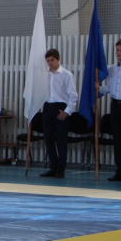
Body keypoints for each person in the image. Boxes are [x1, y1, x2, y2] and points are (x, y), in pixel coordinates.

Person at [41, 49, 78, 179]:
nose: (50, 63)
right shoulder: (44, 74)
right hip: (47, 107)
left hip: (60, 107)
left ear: (58, 60)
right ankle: (53, 167)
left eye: (52, 60)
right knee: (49, 139)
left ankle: (60, 169)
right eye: (48, 60)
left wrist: (67, 111)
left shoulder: (66, 74)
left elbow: (73, 95)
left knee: (61, 140)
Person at [97, 39, 121, 182]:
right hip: (116, 105)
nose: (119, 52)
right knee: (117, 139)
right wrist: (98, 88)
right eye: (117, 49)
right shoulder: (111, 69)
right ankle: (120, 171)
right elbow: (109, 88)